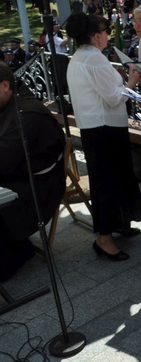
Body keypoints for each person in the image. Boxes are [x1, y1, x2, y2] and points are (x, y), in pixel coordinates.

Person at [65, 12, 141, 261]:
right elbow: (113, 98)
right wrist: (131, 82)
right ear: (95, 35)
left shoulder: (79, 57)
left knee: (111, 179)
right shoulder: (94, 59)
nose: (107, 36)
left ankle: (117, 224)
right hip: (105, 128)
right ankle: (104, 238)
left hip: (95, 128)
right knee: (108, 182)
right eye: (105, 31)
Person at [0, 62, 65, 280]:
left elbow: (3, 161)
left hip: (38, 189)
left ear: (5, 85)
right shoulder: (8, 103)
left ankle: (13, 255)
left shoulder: (26, 114)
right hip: (18, 177)